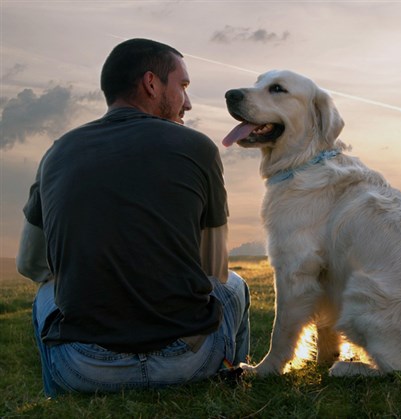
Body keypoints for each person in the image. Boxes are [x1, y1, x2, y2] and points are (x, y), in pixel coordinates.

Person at [16, 38, 250, 398]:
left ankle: (57, 397)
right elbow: (213, 268)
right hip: (187, 362)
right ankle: (232, 377)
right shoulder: (198, 147)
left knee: (47, 291)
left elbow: (30, 264)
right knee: (234, 285)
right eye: (183, 86)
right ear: (152, 83)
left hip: (85, 370)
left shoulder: (57, 152)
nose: (187, 102)